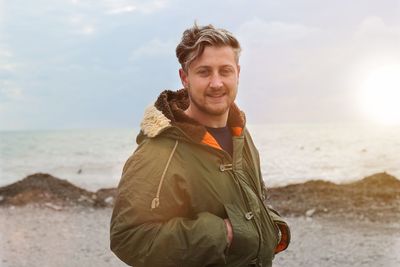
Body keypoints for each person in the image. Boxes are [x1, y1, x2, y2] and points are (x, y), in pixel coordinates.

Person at [110, 23, 290, 267]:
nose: (216, 83)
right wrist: (223, 233)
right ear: (185, 78)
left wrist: (268, 226)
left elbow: (248, 201)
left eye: (225, 71)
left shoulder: (240, 133)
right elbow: (127, 237)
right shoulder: (158, 150)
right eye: (204, 72)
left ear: (238, 73)